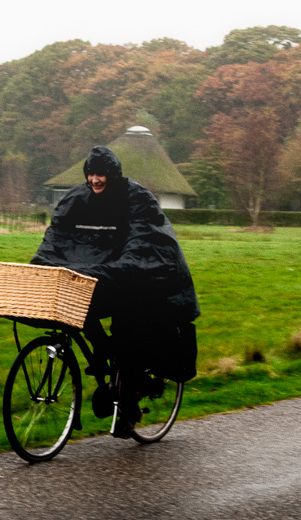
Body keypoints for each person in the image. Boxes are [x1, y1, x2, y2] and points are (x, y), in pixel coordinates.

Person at [31, 145, 199, 436]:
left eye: (101, 174)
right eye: (91, 174)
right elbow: (56, 236)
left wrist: (112, 270)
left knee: (128, 332)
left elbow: (140, 242)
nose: (95, 179)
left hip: (146, 277)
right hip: (104, 272)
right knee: (78, 313)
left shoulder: (137, 198)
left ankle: (130, 404)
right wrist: (41, 264)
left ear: (113, 174)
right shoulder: (76, 198)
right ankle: (103, 358)